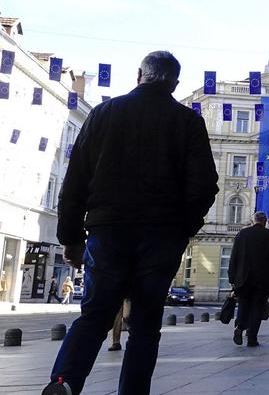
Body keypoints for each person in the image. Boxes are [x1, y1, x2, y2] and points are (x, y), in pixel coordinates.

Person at [45, 51, 219, 395]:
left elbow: (75, 179)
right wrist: (182, 227)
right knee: (145, 322)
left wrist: (71, 237)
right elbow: (205, 185)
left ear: (140, 74)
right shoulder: (187, 122)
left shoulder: (104, 113)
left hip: (108, 230)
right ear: (175, 83)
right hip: (161, 235)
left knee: (94, 313)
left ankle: (64, 381)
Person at [228, 212, 269, 347]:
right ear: (265, 221)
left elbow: (234, 256)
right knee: (257, 308)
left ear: (253, 221)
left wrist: (232, 277)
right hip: (263, 280)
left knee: (243, 304)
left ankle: (239, 327)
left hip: (243, 278)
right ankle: (252, 338)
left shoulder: (242, 234)